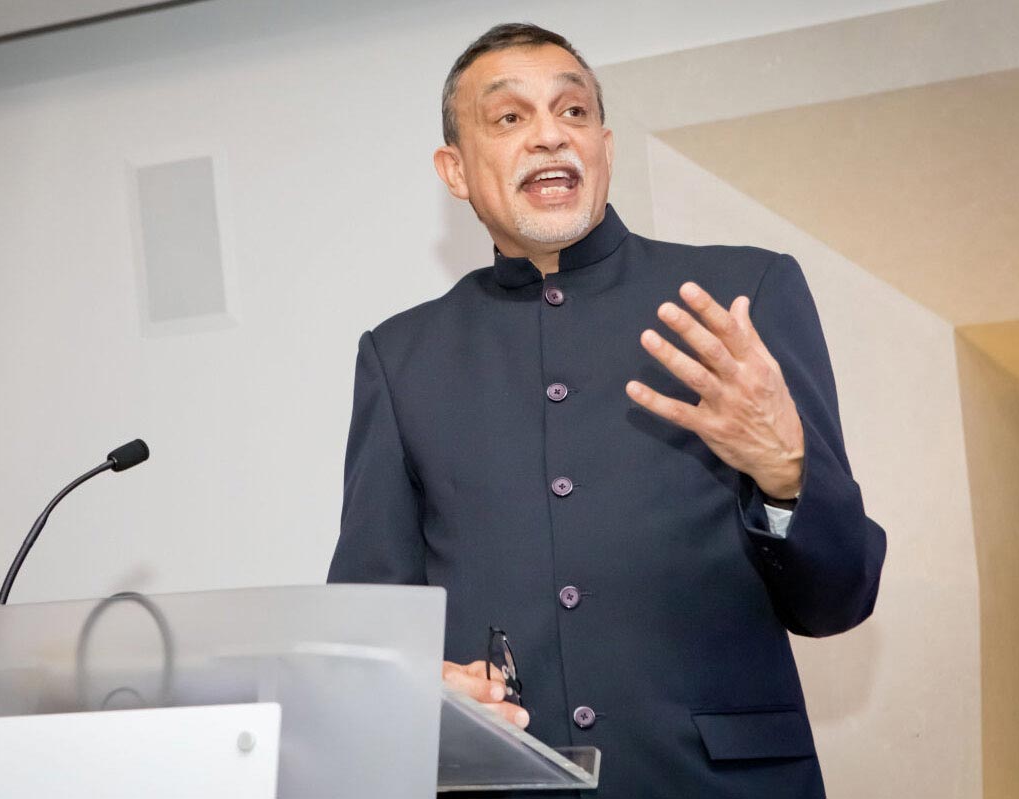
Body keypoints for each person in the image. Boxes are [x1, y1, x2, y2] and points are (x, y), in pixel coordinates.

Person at [327, 22, 885, 798]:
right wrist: (421, 687)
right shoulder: (401, 356)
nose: (551, 135)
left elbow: (839, 600)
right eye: (510, 118)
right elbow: (367, 630)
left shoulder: (740, 297)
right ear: (455, 170)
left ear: (605, 147)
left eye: (574, 112)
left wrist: (788, 475)